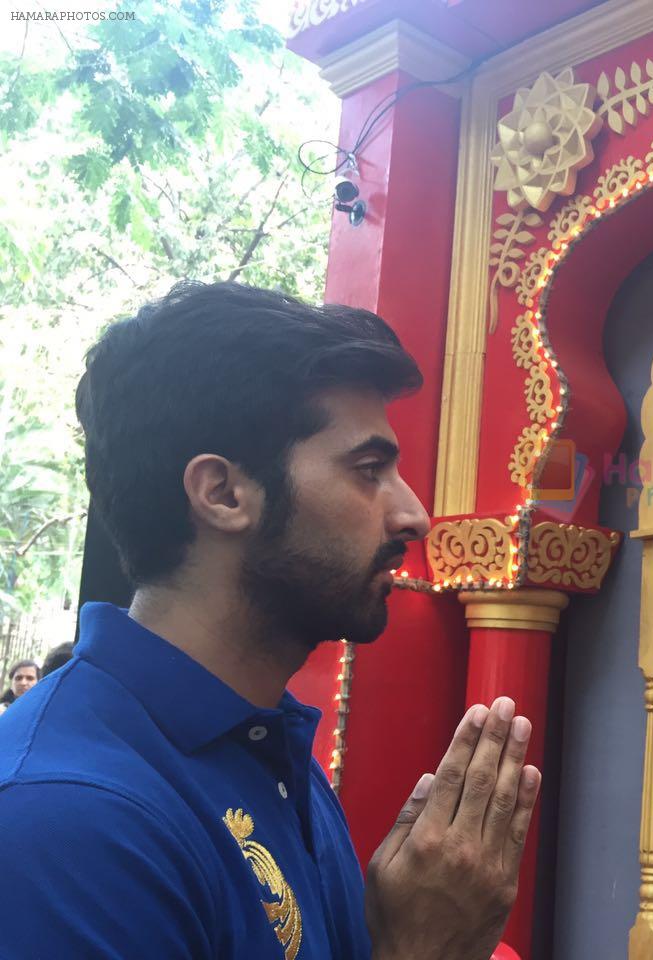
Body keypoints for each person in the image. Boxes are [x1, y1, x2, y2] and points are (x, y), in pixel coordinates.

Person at [0, 281, 541, 959]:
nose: (414, 516)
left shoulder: (269, 749)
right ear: (224, 494)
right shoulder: (68, 819)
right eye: (369, 469)